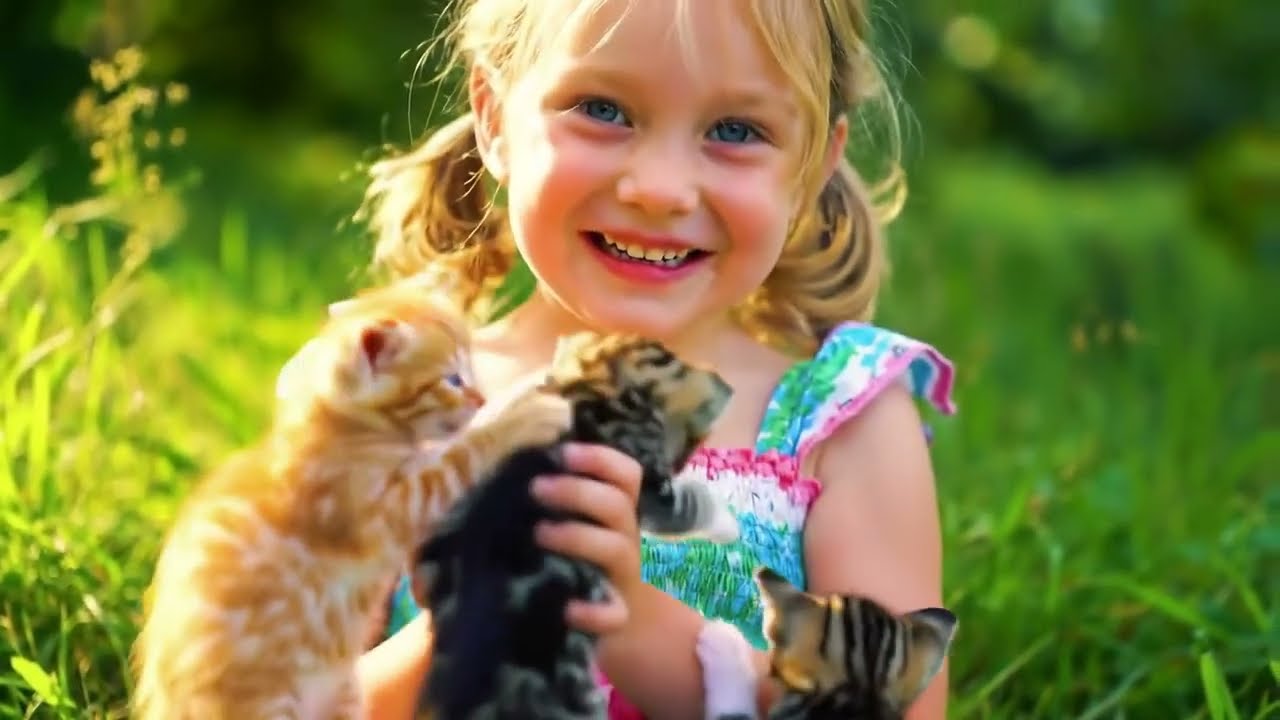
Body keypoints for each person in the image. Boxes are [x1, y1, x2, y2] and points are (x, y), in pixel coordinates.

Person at [354, 0, 958, 718]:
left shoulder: (840, 424)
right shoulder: (399, 403)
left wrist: (627, 617)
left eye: (736, 131)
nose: (661, 189)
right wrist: (472, 611)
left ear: (811, 167)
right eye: (602, 109)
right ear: (493, 117)